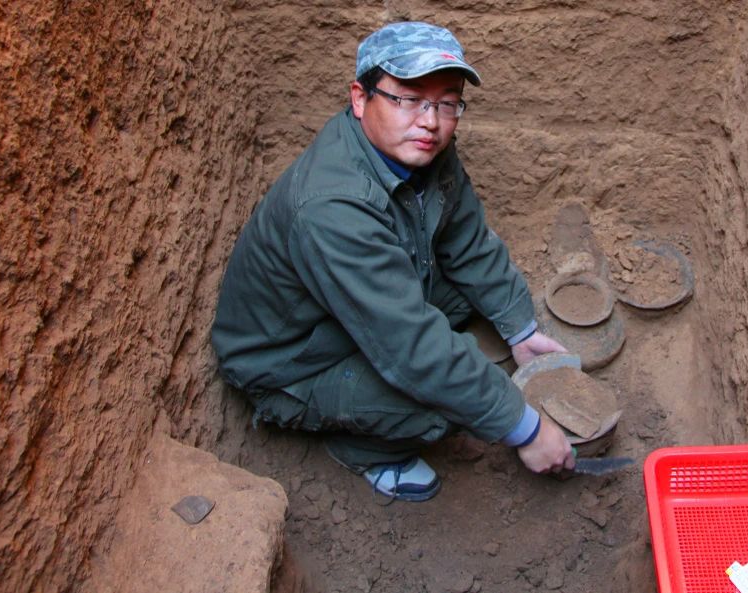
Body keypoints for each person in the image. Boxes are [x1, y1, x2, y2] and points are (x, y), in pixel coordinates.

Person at [211, 21, 575, 502]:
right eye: (409, 98)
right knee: (444, 408)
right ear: (360, 99)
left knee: (466, 307)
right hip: (289, 365)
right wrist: (525, 428)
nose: (430, 121)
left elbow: (467, 241)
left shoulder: (417, 148)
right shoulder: (331, 206)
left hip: (345, 311)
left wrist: (520, 329)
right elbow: (411, 346)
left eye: (447, 103)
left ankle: (429, 385)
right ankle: (364, 448)